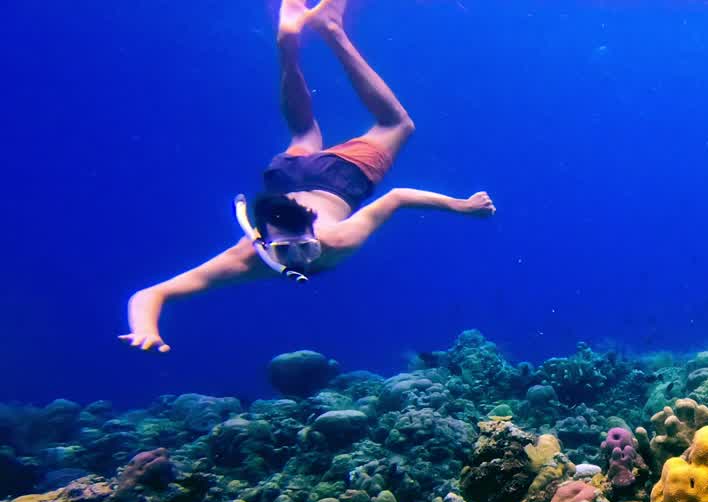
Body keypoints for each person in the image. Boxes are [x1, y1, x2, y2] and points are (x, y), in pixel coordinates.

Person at [120, 0, 495, 353]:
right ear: (263, 242)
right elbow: (151, 296)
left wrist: (461, 207)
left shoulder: (322, 242)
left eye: (301, 247)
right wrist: (145, 329)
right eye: (290, 250)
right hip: (285, 175)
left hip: (340, 179)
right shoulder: (249, 255)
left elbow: (396, 197)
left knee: (397, 124)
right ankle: (288, 44)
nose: (300, 259)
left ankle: (332, 30)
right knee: (303, 135)